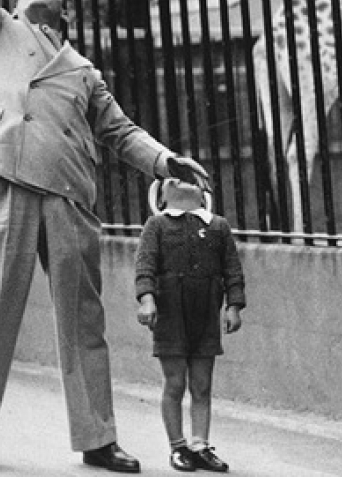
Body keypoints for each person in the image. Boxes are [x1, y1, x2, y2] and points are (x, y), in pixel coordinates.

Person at [0, 0, 210, 473]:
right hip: (4, 180)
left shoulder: (85, 69)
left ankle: (96, 438)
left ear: (64, 13)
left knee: (84, 320)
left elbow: (120, 131)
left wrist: (166, 160)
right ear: (11, 5)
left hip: (68, 194)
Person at [135, 178, 246, 473]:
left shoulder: (218, 226)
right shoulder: (156, 225)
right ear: (162, 194)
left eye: (189, 177)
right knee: (175, 383)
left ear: (203, 192)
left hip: (205, 315)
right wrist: (147, 300)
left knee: (202, 384)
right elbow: (145, 266)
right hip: (171, 315)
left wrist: (233, 305)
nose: (181, 179)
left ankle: (200, 445)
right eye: (173, 177)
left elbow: (232, 269)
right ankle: (177, 446)